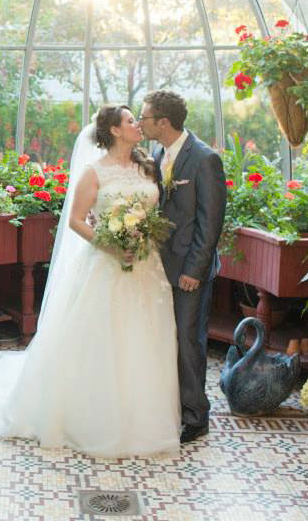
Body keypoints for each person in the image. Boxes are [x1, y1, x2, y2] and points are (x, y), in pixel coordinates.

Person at [0, 104, 180, 457]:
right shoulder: (94, 173)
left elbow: (158, 212)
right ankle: (93, 419)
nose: (137, 124)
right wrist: (110, 244)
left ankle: (143, 420)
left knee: (146, 340)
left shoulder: (149, 167)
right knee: (104, 341)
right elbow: (77, 220)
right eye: (129, 121)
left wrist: (141, 238)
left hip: (146, 267)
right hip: (107, 265)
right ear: (114, 131)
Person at [138, 90, 227, 444]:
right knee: (166, 339)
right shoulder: (158, 153)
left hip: (190, 270)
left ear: (163, 121)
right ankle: (172, 406)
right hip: (159, 266)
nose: (141, 122)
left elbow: (211, 221)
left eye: (145, 117)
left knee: (189, 341)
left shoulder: (205, 159)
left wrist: (194, 270)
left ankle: (196, 416)